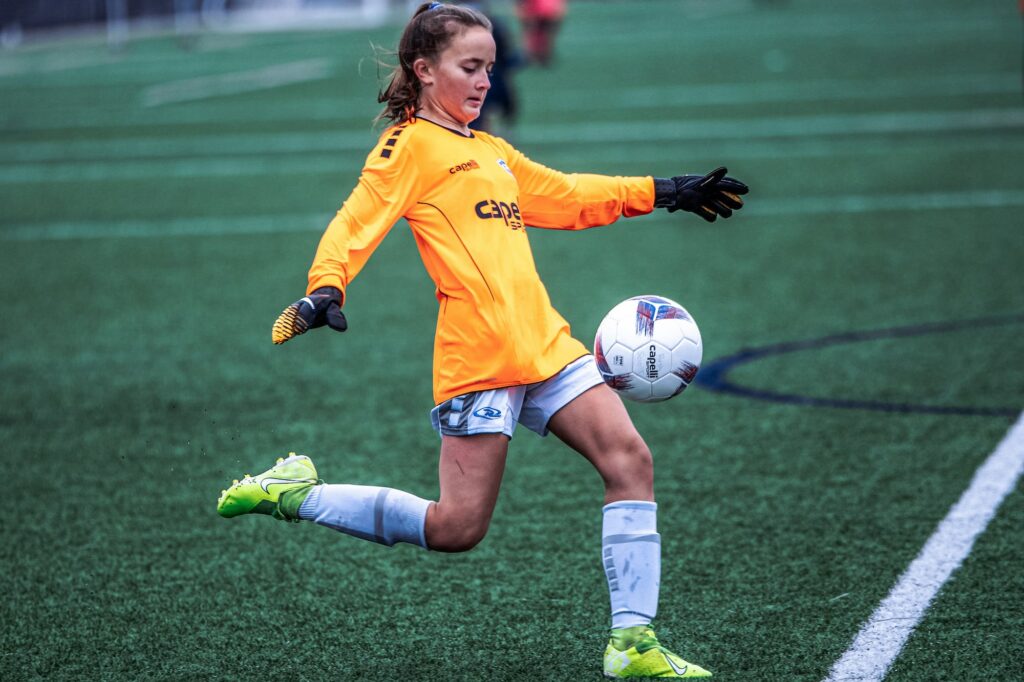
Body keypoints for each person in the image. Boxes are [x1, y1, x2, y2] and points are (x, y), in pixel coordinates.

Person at [216, 2, 747, 678]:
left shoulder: (489, 151)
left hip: (546, 346)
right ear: (424, 69)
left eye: (490, 69)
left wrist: (665, 191)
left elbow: (568, 195)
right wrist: (326, 289)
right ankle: (298, 492)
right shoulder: (407, 147)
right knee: (457, 528)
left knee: (629, 461)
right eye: (470, 67)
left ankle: (632, 644)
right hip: (481, 358)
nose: (484, 82)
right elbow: (357, 221)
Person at [516, 0, 566, 67]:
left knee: (538, 34)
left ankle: (535, 55)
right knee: (539, 34)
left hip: (542, 11)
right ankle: (535, 55)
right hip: (543, 11)